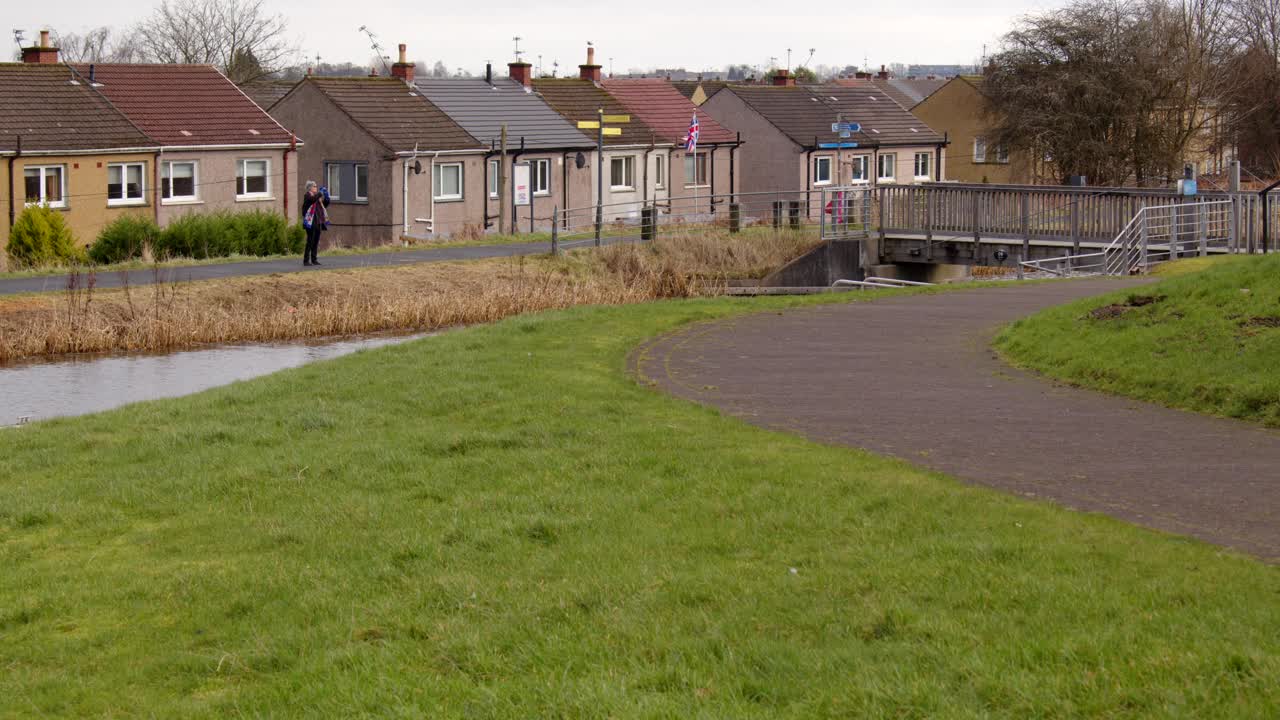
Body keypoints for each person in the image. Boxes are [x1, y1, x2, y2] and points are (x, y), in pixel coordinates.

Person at [300, 180, 330, 266]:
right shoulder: (307, 195)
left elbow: (324, 205)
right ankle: (306, 261)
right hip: (310, 222)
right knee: (310, 241)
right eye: (314, 186)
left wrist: (327, 198)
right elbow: (312, 200)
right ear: (310, 188)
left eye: (316, 186)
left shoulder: (317, 197)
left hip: (318, 221)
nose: (316, 187)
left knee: (316, 241)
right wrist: (320, 193)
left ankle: (314, 259)